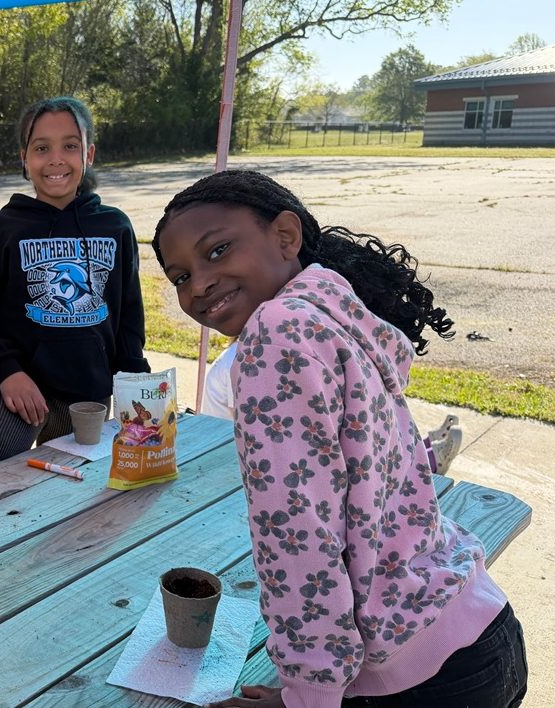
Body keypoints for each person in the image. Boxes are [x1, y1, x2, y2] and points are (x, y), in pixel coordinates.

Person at [153, 170, 526, 708]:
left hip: (416, 682)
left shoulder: (275, 334)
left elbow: (298, 531)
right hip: (480, 626)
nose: (199, 285)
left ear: (285, 236)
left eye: (218, 251)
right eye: (180, 276)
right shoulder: (331, 311)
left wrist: (305, 695)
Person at [0, 96, 149, 467]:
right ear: (24, 158)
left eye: (70, 146)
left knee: (75, 482)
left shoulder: (115, 226)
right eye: (42, 148)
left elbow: (129, 317)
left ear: (88, 154)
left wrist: (133, 381)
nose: (56, 158)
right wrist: (8, 372)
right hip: (18, 386)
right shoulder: (1, 229)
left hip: (87, 390)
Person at [200, 341, 464, 475]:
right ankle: (424, 463)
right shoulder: (247, 360)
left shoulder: (255, 351)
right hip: (231, 464)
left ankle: (421, 451)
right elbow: (252, 436)